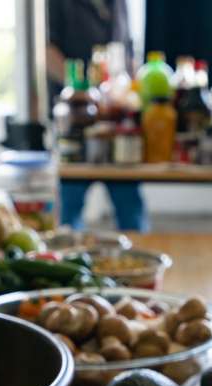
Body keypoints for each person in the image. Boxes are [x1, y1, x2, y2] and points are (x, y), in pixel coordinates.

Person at [47, 0, 148, 232]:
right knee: (69, 208)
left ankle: (136, 262)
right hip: (74, 121)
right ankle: (69, 262)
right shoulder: (57, 4)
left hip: (113, 120)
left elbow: (127, 52)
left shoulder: (119, 4)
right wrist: (80, 89)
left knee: (130, 204)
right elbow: (46, 51)